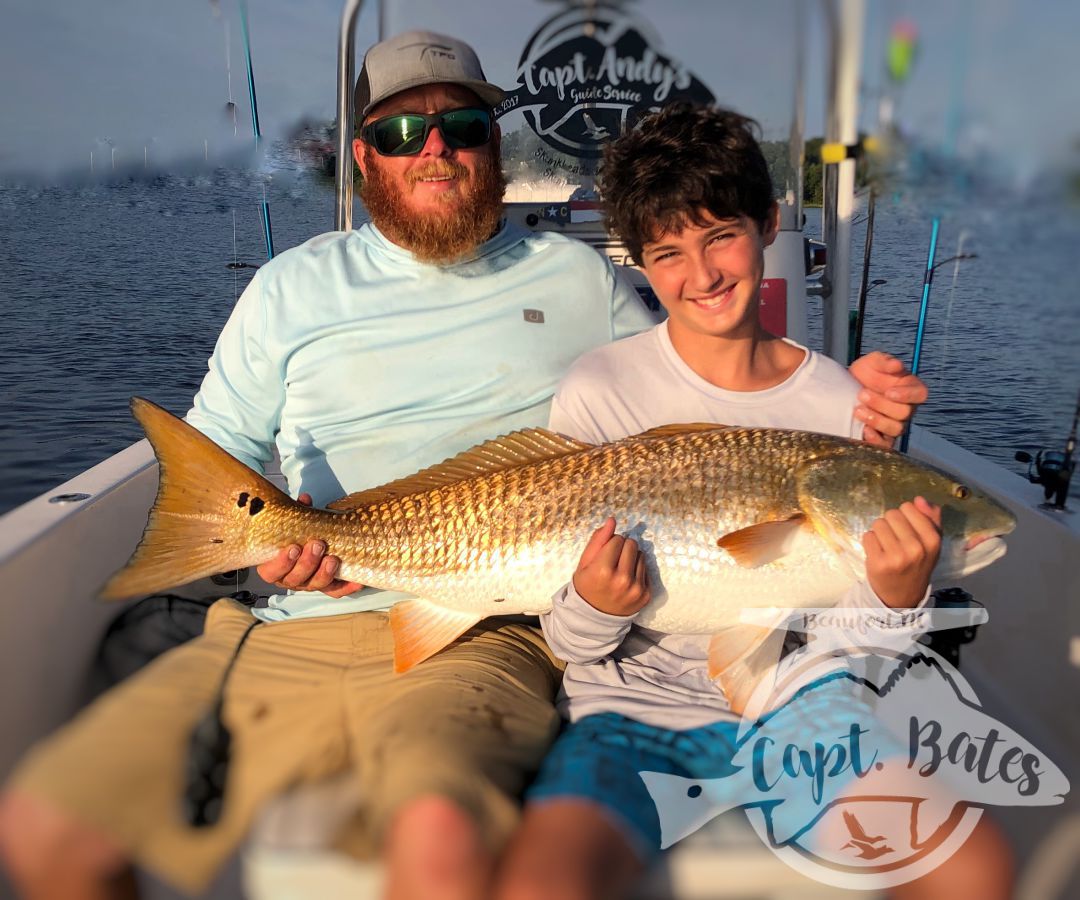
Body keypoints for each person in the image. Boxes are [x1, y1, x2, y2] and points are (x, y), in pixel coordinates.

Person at [0, 34, 927, 900]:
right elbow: (223, 467)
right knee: (43, 830)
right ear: (363, 158)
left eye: (463, 126)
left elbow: (703, 426)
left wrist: (853, 399)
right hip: (285, 621)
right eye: (402, 131)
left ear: (494, 144)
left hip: (489, 628)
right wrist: (263, 552)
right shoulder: (288, 287)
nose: (433, 149)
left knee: (440, 842)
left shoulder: (582, 282)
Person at [494, 104, 1013, 900]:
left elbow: (861, 654)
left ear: (768, 223)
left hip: (806, 717)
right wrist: (598, 604)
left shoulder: (846, 404)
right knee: (542, 884)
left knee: (973, 871)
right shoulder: (601, 389)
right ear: (636, 259)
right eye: (667, 253)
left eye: (719, 237)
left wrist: (897, 599)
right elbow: (570, 643)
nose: (700, 275)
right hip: (629, 717)